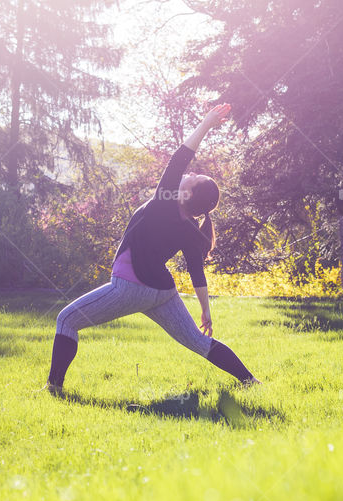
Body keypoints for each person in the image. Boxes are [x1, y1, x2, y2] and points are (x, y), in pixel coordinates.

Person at [46, 103, 260, 394]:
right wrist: (205, 311)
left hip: (129, 288)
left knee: (66, 320)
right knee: (199, 342)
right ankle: (250, 382)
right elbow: (196, 270)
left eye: (193, 178)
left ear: (186, 192)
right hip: (161, 293)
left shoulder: (164, 203)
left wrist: (207, 124)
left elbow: (179, 159)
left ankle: (54, 388)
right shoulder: (189, 227)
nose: (189, 174)